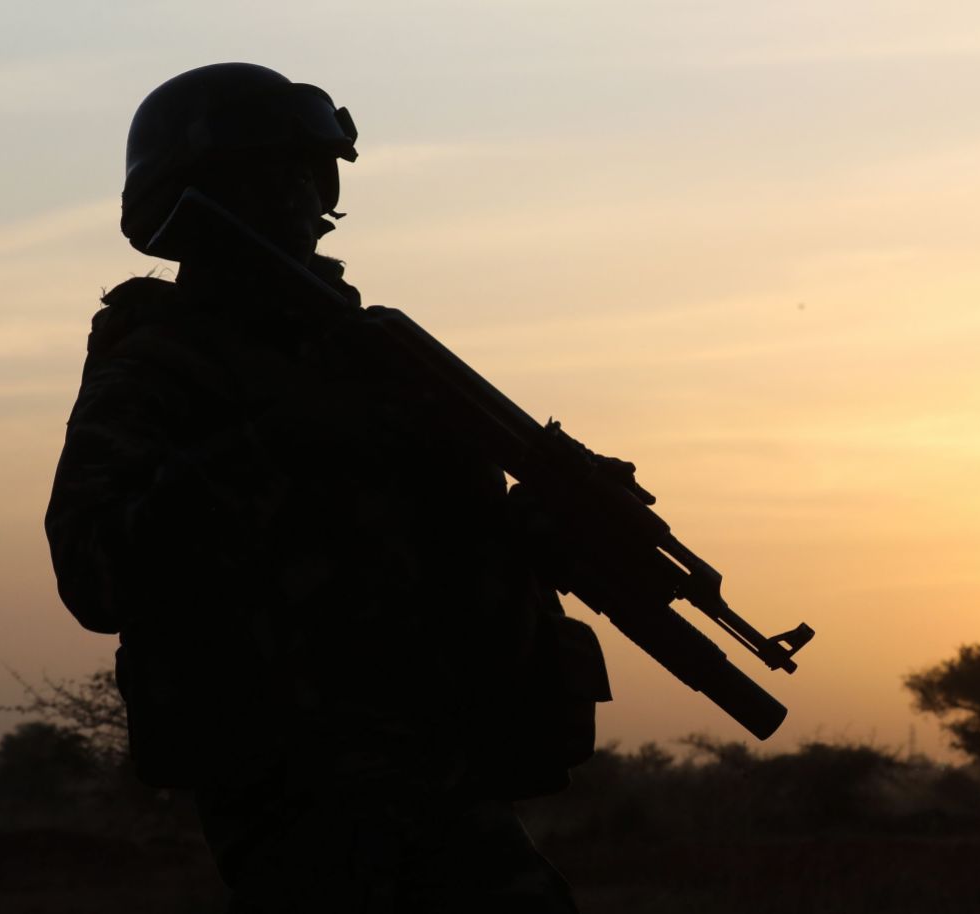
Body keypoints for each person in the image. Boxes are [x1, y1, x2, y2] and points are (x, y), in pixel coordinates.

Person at [45, 63, 606, 912]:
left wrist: (535, 526)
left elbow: (429, 539)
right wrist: (280, 439)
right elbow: (96, 574)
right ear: (204, 195)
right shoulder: (161, 366)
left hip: (438, 765)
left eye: (312, 172)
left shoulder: (367, 353)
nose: (304, 195)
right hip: (300, 788)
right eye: (276, 172)